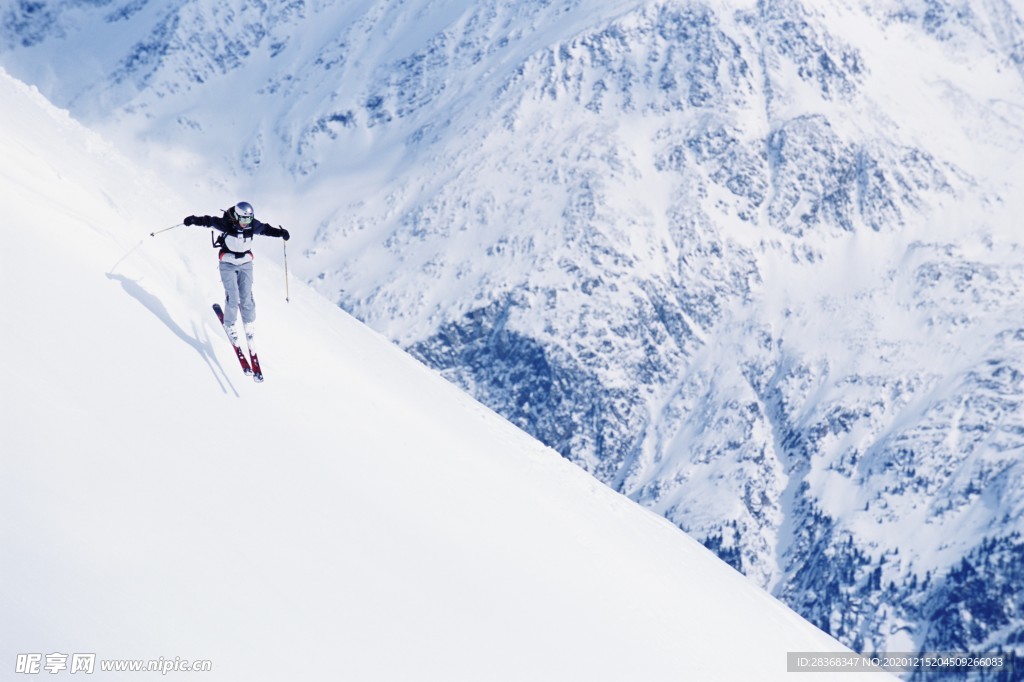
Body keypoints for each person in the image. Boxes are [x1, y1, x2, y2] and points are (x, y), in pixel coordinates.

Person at [183, 202, 290, 353]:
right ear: (236, 216)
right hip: (227, 264)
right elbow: (208, 221)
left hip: (246, 263)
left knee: (246, 295)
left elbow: (266, 229)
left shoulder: (252, 225)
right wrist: (193, 220)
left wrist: (281, 233)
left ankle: (249, 323)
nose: (246, 223)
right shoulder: (226, 224)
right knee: (233, 297)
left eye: (249, 219)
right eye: (243, 219)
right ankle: (230, 324)